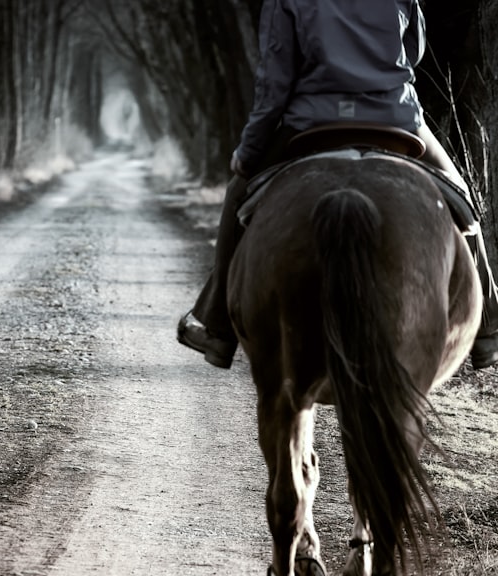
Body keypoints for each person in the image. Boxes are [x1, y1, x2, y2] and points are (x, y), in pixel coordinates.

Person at [177, 0, 498, 371]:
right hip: (393, 119)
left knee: (238, 191)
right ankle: (487, 325)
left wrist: (249, 152)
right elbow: (415, 52)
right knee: (461, 197)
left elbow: (274, 83)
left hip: (313, 121)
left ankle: (218, 328)